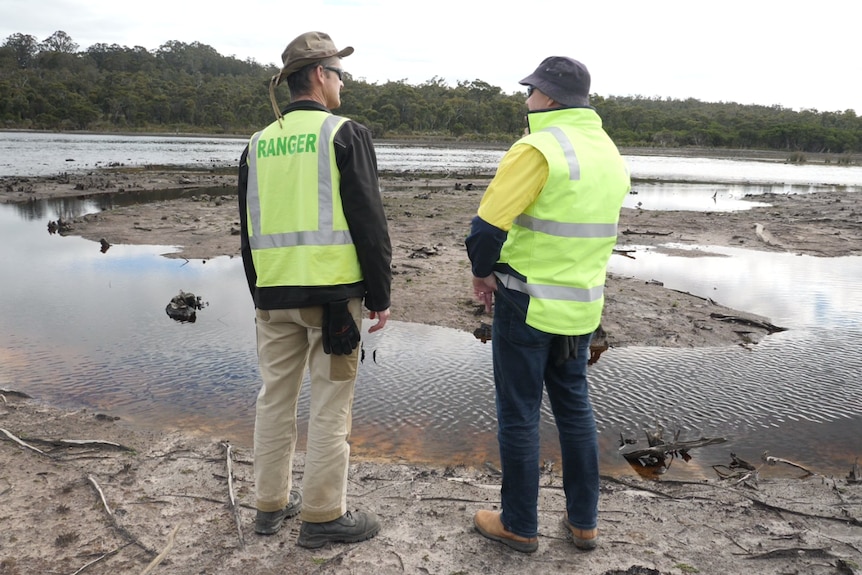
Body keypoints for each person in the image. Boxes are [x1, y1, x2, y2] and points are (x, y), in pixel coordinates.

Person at [465, 56, 630, 553]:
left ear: (551, 98)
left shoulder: (537, 147)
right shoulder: (608, 151)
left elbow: (487, 228)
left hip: (526, 303)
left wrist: (481, 274)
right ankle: (584, 524)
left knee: (519, 414)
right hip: (581, 308)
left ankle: (519, 525)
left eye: (533, 91)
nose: (527, 98)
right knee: (575, 410)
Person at [237, 31, 392, 549]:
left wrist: (259, 291)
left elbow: (248, 228)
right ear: (320, 76)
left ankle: (269, 504)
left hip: (274, 296)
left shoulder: (257, 143)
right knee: (331, 405)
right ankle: (323, 516)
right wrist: (380, 294)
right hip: (332, 302)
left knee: (273, 400)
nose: (344, 83)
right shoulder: (345, 133)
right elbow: (369, 222)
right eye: (339, 73)